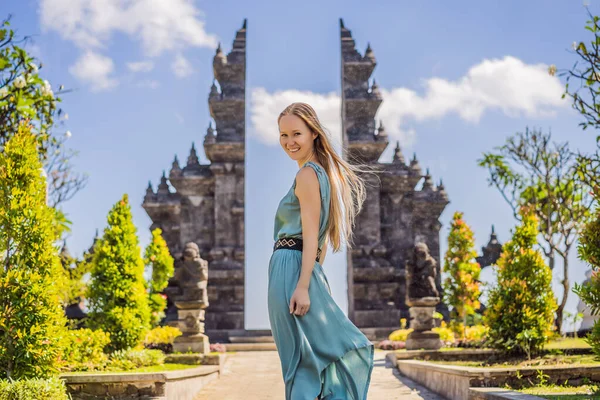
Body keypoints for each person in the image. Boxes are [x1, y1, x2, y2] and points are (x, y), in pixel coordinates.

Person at [268, 102, 374, 400]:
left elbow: (313, 234)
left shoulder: (307, 175)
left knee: (297, 358)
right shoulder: (321, 175)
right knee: (306, 355)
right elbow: (321, 242)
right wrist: (313, 276)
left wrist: (303, 285)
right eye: (283, 135)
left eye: (297, 133)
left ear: (314, 133)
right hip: (304, 267)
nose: (289, 141)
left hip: (291, 266)